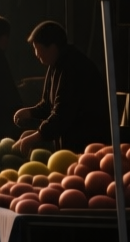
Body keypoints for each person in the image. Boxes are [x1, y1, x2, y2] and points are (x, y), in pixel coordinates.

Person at [14, 20, 110, 155]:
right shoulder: (55, 64)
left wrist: (37, 136)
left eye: (37, 48)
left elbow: (63, 113)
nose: (36, 54)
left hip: (86, 146)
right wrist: (30, 112)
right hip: (70, 143)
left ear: (52, 47)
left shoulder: (73, 67)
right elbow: (48, 104)